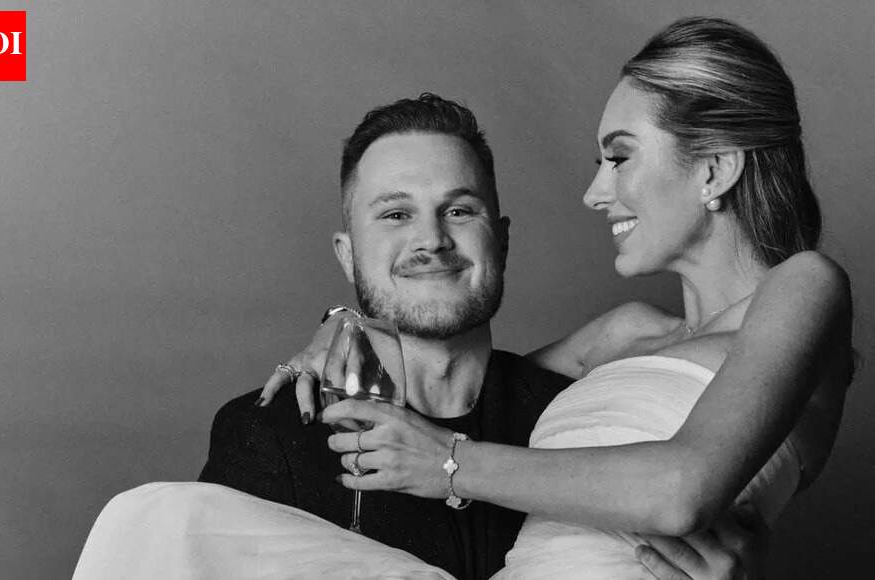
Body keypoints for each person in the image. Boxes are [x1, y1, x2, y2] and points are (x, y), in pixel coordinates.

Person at [74, 91, 762, 579]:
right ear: (348, 255)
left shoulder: (576, 418)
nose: (430, 240)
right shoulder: (273, 433)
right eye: (395, 215)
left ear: (500, 240)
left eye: (458, 210)